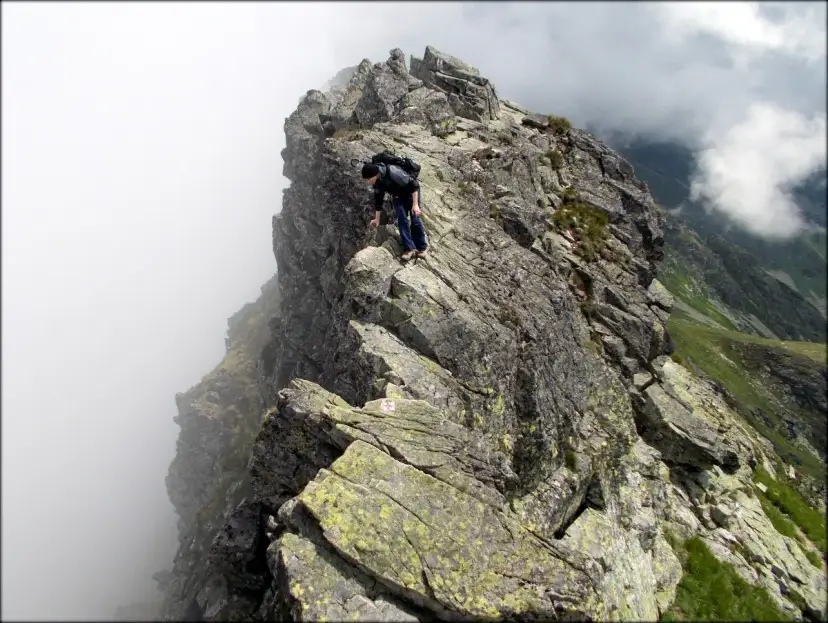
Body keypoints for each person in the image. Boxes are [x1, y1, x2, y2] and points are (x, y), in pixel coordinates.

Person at [362, 161, 428, 261]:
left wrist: (415, 205)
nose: (368, 181)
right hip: (398, 196)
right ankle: (409, 248)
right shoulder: (378, 182)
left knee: (415, 220)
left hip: (411, 193)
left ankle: (422, 248)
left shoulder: (393, 172)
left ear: (374, 174)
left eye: (368, 178)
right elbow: (378, 201)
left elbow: (414, 185)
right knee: (402, 220)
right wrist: (377, 218)